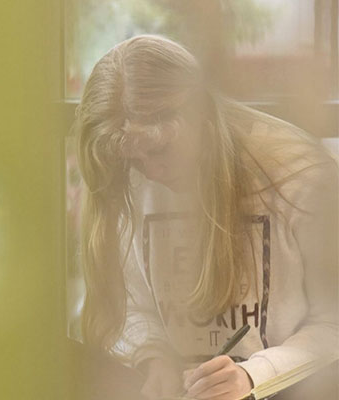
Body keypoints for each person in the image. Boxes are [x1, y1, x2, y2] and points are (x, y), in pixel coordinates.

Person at [73, 35, 338, 399]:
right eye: (136, 160)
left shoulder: (299, 174)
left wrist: (252, 376)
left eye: (162, 150)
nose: (152, 171)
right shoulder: (127, 170)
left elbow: (333, 320)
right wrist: (153, 358)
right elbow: (127, 303)